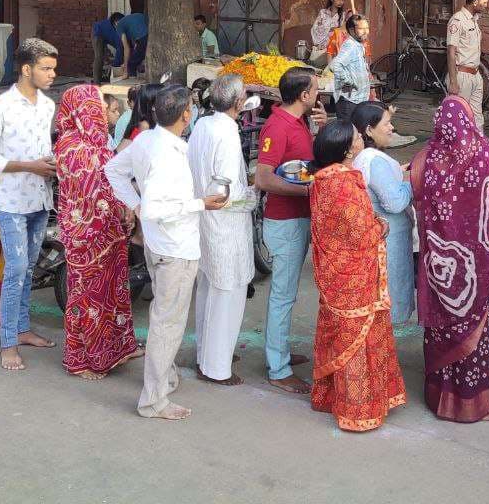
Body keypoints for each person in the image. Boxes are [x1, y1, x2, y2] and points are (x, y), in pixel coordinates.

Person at [105, 85, 228, 420]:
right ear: (186, 115)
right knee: (167, 323)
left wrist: (135, 202)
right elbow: (157, 207)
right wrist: (199, 204)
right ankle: (153, 399)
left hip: (161, 245)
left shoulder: (148, 140)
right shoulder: (166, 154)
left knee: (166, 316)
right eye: (191, 108)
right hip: (174, 248)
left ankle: (165, 378)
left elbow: (113, 171)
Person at [414, 95, 489, 420]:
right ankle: (471, 406)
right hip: (473, 264)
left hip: (440, 262)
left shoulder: (426, 157)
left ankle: (439, 398)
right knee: (475, 330)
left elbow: (416, 196)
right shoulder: (483, 154)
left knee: (441, 327)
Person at [308, 119, 407, 432]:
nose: (360, 138)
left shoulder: (323, 179)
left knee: (343, 335)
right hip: (354, 278)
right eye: (355, 137)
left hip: (336, 273)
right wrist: (381, 227)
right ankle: (358, 411)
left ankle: (334, 398)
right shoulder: (343, 184)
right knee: (359, 341)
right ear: (349, 149)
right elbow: (361, 233)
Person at [0, 38, 59, 371]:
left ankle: (22, 329)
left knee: (29, 268)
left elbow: (43, 151)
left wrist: (50, 164)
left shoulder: (48, 106)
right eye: (46, 68)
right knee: (16, 270)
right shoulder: (0, 108)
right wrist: (29, 165)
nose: (53, 74)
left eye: (53, 68)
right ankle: (8, 342)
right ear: (27, 69)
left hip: (40, 197)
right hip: (11, 202)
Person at [54, 84, 140, 380]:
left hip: (110, 231)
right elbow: (87, 193)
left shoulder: (100, 141)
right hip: (87, 235)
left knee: (113, 292)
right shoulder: (72, 147)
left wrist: (126, 207)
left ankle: (115, 348)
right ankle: (82, 359)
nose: (103, 110)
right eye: (97, 106)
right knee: (87, 296)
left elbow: (113, 181)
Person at [254, 66, 325, 394]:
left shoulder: (297, 121)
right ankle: (278, 368)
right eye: (315, 88)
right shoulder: (277, 126)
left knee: (287, 292)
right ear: (303, 95)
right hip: (285, 222)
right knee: (282, 295)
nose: (318, 93)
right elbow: (264, 178)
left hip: (297, 218)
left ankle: (278, 351)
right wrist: (309, 193)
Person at [188, 74, 256, 385]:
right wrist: (252, 193)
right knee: (227, 291)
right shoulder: (226, 135)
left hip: (205, 217)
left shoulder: (203, 124)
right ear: (239, 103)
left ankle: (210, 352)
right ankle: (216, 366)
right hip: (224, 221)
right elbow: (228, 191)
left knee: (209, 288)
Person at [349, 101, 414, 325]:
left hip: (381, 241)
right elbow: (394, 202)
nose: (392, 128)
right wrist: (413, 182)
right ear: (368, 130)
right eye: (386, 123)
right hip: (387, 243)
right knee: (386, 311)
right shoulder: (373, 161)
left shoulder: (370, 158)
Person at [447, 0, 489, 127]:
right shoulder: (457, 20)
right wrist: (453, 81)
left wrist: (483, 68)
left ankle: (477, 148)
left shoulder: (474, 20)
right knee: (458, 118)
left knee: (477, 117)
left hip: (475, 75)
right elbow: (451, 52)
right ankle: (456, 149)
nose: (486, 6)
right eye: (484, 3)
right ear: (475, 2)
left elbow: (471, 50)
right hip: (461, 75)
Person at [330, 14, 372, 121]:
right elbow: (335, 65)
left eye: (367, 28)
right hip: (349, 102)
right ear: (352, 31)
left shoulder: (359, 45)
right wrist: (349, 81)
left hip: (358, 100)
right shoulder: (350, 45)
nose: (366, 31)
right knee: (347, 134)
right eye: (361, 29)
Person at [309, 0, 346, 67]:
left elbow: (342, 32)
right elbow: (315, 28)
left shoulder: (342, 15)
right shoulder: (323, 13)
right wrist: (329, 29)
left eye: (342, 0)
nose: (341, 2)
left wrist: (335, 30)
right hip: (321, 46)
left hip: (334, 47)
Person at [91, 13, 124, 82]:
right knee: (99, 57)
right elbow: (120, 50)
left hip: (106, 34)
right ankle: (96, 82)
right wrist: (116, 65)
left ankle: (105, 75)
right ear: (115, 23)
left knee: (107, 56)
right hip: (98, 33)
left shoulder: (121, 30)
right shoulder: (118, 34)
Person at [116, 11, 148, 77]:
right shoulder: (130, 21)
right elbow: (135, 46)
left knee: (131, 65)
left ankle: (132, 83)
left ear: (115, 23)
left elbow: (126, 48)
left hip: (144, 37)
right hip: (151, 34)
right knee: (138, 58)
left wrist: (125, 69)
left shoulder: (119, 26)